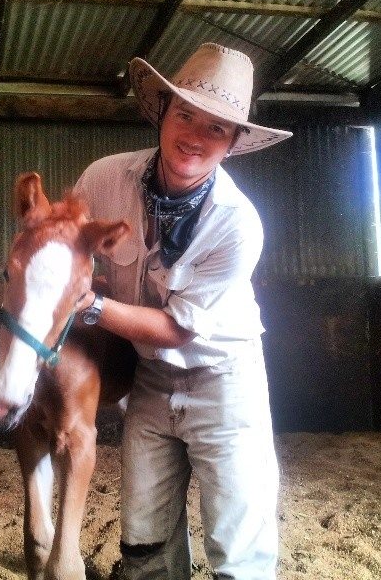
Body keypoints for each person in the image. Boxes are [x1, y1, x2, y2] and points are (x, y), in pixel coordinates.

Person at [74, 43, 293, 580]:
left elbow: (175, 328)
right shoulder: (104, 179)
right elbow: (68, 237)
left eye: (217, 127)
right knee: (143, 529)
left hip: (224, 378)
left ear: (235, 141)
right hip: (150, 376)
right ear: (162, 112)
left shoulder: (238, 224)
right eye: (185, 114)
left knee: (237, 534)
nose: (194, 135)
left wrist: (91, 305)